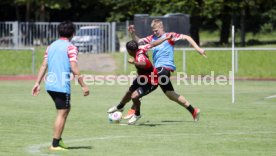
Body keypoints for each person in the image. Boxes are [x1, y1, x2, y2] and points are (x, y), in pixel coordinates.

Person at [125, 19, 206, 121]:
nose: (154, 32)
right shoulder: (152, 38)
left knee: (146, 82)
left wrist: (198, 49)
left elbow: (187, 37)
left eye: (156, 30)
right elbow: (138, 42)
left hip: (164, 68)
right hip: (158, 69)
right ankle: (193, 111)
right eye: (153, 31)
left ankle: (134, 109)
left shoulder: (169, 36)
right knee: (170, 94)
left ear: (161, 27)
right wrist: (132, 34)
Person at [31, 21, 89, 151]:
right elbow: (74, 67)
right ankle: (55, 144)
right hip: (61, 86)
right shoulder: (71, 47)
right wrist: (84, 85)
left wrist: (37, 83)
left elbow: (43, 65)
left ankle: (59, 139)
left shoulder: (51, 46)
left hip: (50, 85)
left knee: (65, 110)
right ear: (73, 33)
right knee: (62, 113)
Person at [107, 35, 172, 125]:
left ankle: (137, 114)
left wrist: (134, 62)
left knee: (134, 96)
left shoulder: (140, 56)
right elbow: (153, 44)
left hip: (151, 81)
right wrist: (165, 38)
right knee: (128, 92)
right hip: (142, 78)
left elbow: (144, 64)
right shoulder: (142, 48)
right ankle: (120, 106)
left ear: (129, 51)